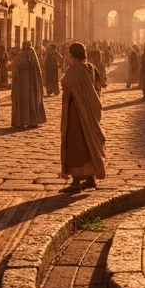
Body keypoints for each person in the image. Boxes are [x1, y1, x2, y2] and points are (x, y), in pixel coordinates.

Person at [59, 42, 106, 193]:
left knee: (76, 146)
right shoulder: (91, 68)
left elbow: (67, 92)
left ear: (72, 55)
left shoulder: (73, 71)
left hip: (76, 115)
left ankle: (76, 182)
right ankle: (90, 178)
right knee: (88, 144)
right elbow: (98, 89)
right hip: (91, 113)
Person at [10, 41, 46, 128]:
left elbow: (36, 69)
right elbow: (14, 65)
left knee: (31, 99)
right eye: (25, 46)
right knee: (22, 99)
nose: (26, 48)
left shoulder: (33, 54)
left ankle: (33, 121)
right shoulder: (20, 55)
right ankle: (20, 121)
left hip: (31, 81)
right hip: (21, 81)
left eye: (28, 46)